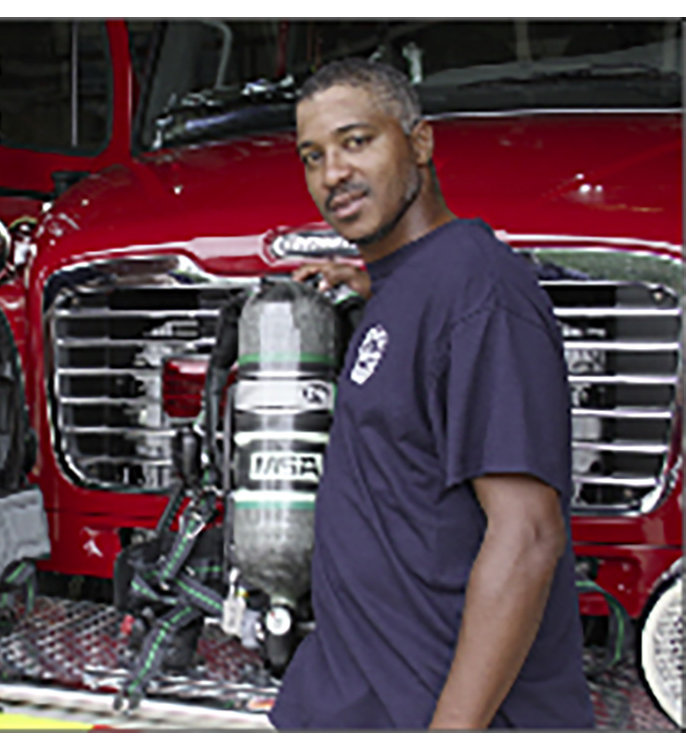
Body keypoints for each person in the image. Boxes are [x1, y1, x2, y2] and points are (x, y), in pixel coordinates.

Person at [268, 58, 595, 729]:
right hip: (348, 698)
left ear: (419, 142)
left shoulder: (480, 290)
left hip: (431, 714)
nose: (332, 174)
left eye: (357, 141)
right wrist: (376, 288)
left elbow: (528, 535)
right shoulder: (412, 285)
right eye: (312, 156)